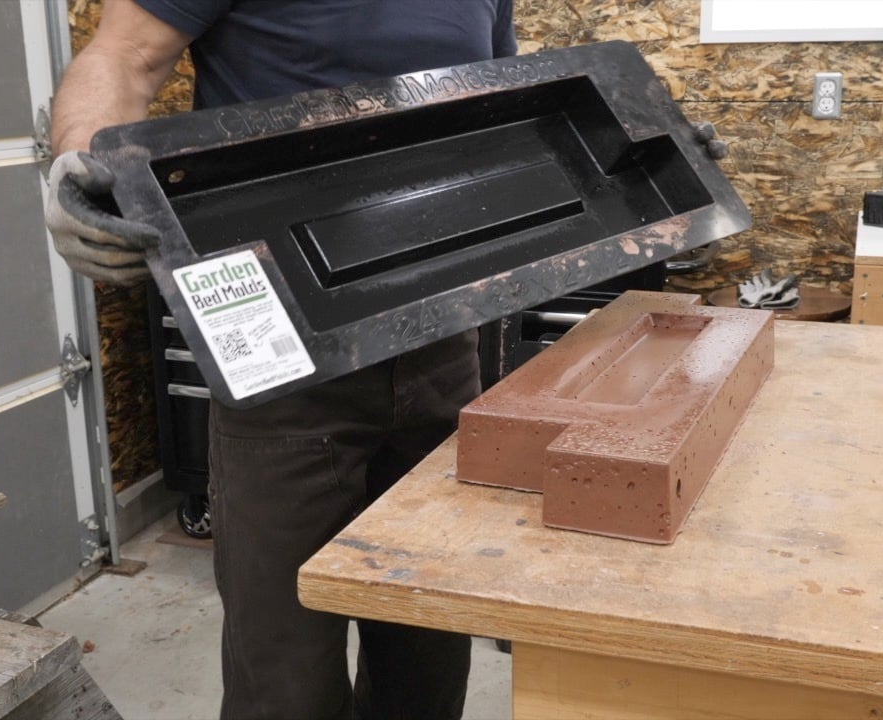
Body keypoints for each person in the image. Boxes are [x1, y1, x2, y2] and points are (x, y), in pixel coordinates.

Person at [44, 2, 728, 718]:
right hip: (283, 357)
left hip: (442, 341)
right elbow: (124, 55)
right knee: (285, 668)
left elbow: (500, 109)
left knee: (427, 645)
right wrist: (79, 161)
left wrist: (661, 183)